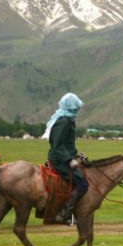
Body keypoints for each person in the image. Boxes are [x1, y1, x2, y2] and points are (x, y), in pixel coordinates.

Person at [43, 93, 88, 224]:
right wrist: (70, 160)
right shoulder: (64, 121)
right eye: (76, 107)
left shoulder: (66, 119)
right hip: (59, 160)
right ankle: (65, 214)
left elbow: (66, 144)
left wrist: (76, 154)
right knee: (82, 183)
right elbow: (57, 145)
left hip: (63, 156)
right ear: (71, 106)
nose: (78, 109)